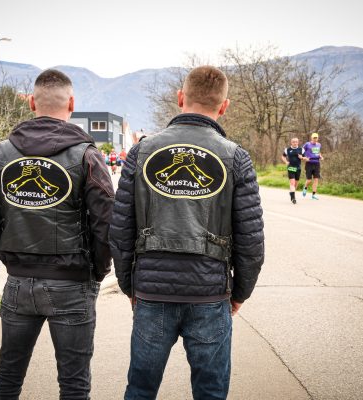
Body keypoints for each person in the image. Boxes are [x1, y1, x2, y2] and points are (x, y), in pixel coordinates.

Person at [110, 65, 265, 399]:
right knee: (211, 393)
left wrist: (130, 286)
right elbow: (251, 240)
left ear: (181, 98)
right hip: (210, 292)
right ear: (224, 106)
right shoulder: (236, 157)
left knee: (140, 390)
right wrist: (239, 293)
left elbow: (120, 229)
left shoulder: (141, 152)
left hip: (152, 292)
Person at [0, 69, 114, 399]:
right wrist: (97, 270)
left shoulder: (1, 153)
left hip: (18, 280)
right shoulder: (87, 155)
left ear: (31, 102)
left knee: (8, 377)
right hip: (72, 281)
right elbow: (107, 223)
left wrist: (8, 259)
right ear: (72, 103)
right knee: (74, 383)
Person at [281, 137, 305, 204]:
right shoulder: (287, 149)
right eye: (293, 142)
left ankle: (291, 193)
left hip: (298, 168)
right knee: (292, 183)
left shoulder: (301, 149)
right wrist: (286, 162)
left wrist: (302, 157)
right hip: (291, 167)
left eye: (296, 142)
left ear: (298, 142)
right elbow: (283, 156)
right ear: (291, 142)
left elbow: (307, 158)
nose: (295, 143)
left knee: (295, 184)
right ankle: (293, 198)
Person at [302, 132, 324, 200]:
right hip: (309, 163)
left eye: (316, 138)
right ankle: (305, 187)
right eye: (314, 138)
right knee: (309, 180)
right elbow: (301, 151)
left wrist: (321, 156)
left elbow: (318, 152)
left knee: (316, 179)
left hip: (317, 163)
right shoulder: (307, 144)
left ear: (318, 138)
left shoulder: (319, 145)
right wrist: (304, 157)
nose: (315, 139)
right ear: (311, 138)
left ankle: (313, 195)